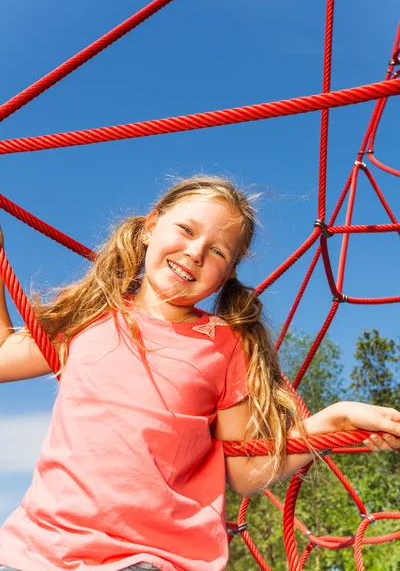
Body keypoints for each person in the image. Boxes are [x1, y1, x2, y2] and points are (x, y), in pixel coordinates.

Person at [0, 176, 399, 571]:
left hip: (148, 557)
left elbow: (245, 470)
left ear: (226, 275)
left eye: (218, 252)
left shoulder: (224, 344)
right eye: (186, 230)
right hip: (37, 549)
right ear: (150, 227)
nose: (195, 252)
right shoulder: (90, 316)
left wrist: (334, 420)